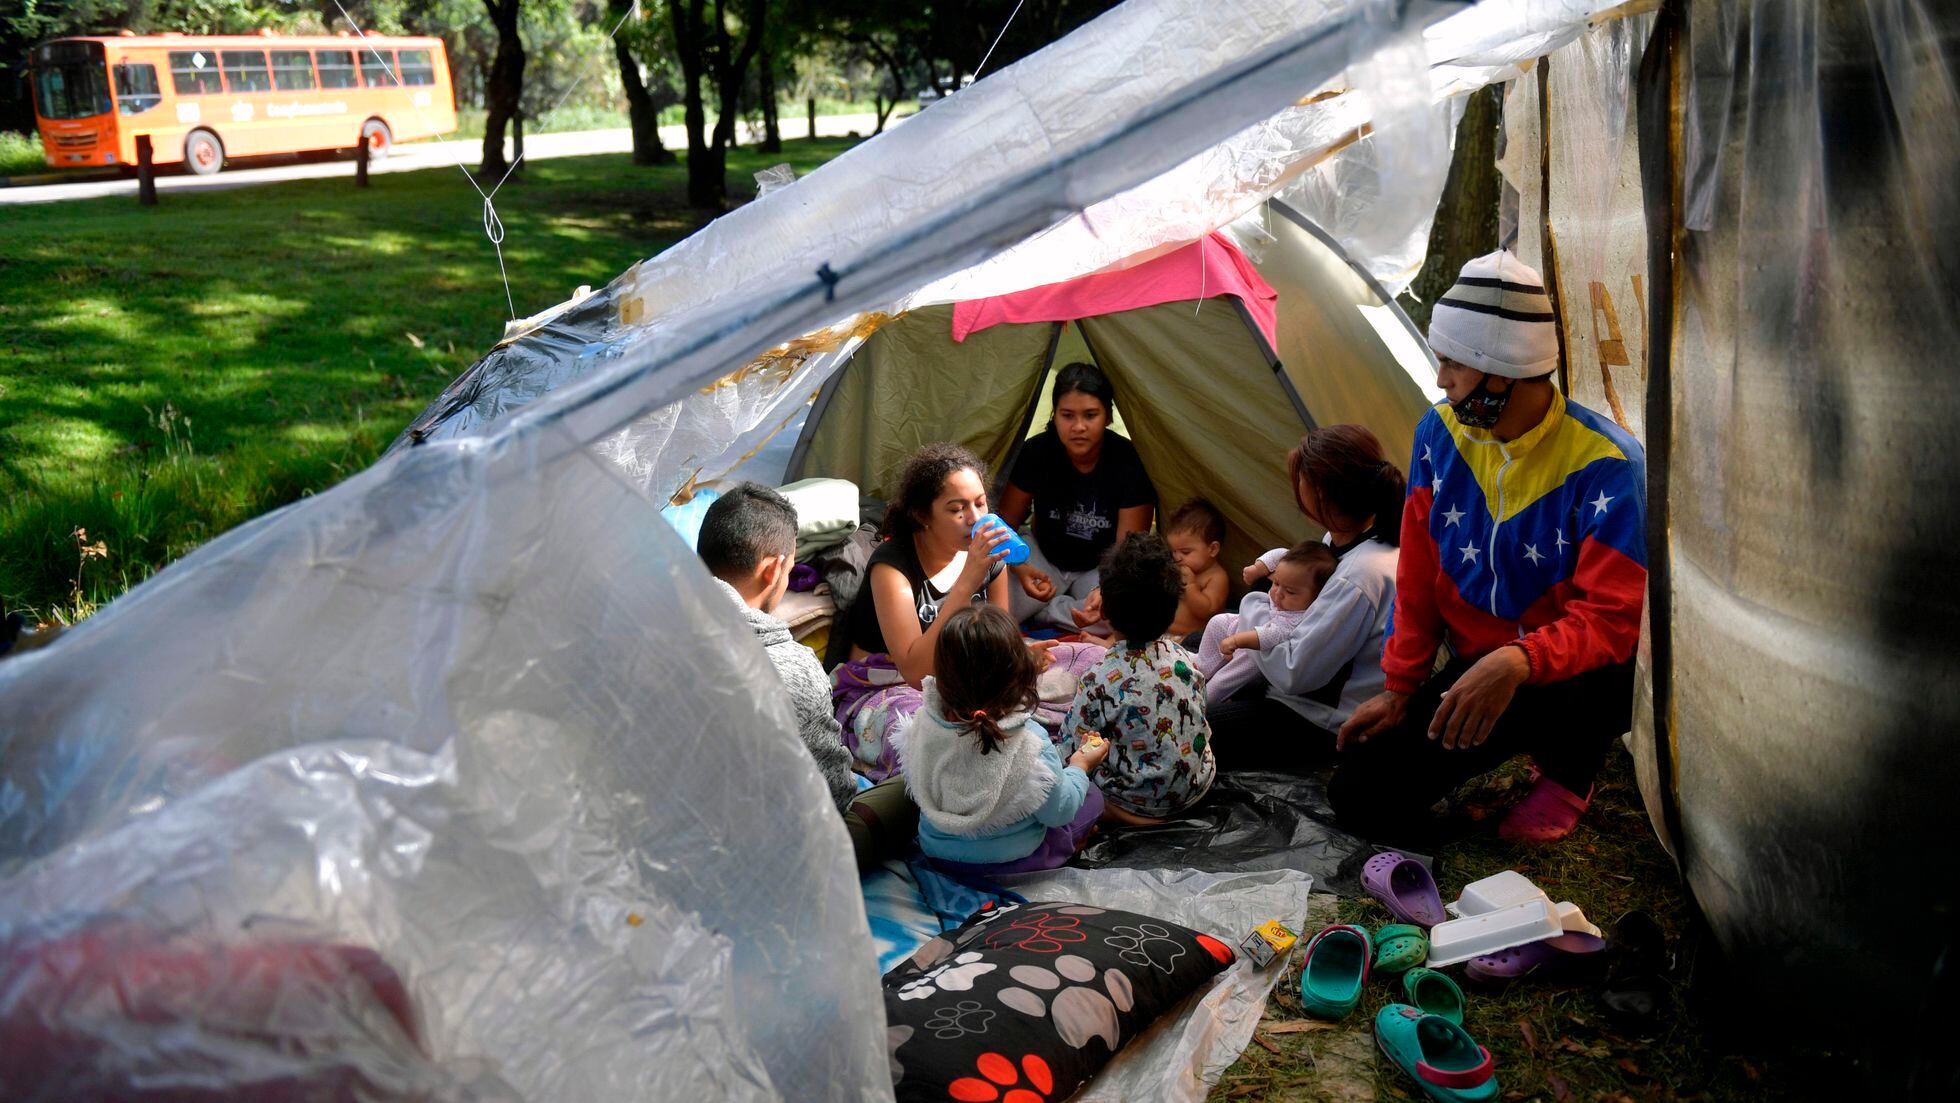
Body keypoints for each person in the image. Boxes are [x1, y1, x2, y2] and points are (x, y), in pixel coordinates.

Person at [1330, 250, 1646, 844]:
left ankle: (1569, 772)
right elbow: (1419, 570)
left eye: (1453, 363)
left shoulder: (1608, 465)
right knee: (1358, 794)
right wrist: (1401, 690)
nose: (1440, 379)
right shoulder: (1439, 432)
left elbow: (1613, 621)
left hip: (1560, 676)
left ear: (1503, 372)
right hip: (1480, 666)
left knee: (1613, 674)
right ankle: (1508, 758)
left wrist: (1519, 661)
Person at [700, 483, 919, 871]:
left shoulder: (640, 628)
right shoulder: (790, 668)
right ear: (771, 571)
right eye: (788, 569)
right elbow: (832, 796)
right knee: (914, 784)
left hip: (648, 837)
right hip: (747, 866)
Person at [1206, 424, 1405, 770]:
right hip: (1293, 686)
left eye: (1301, 483)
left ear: (1324, 495)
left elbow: (1293, 673)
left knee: (1191, 732)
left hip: (1315, 721)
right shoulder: (1345, 537)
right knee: (1206, 639)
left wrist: (1255, 604)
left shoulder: (1363, 574)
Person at [832, 443, 1021, 781]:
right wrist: (966, 582)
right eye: (957, 509)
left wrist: (1023, 662)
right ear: (923, 515)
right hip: (887, 687)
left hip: (963, 683)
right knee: (928, 742)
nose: (976, 518)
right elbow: (915, 672)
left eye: (980, 503)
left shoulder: (991, 558)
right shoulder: (894, 567)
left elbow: (1000, 646)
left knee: (1076, 672)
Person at [898, 605, 1111, 875]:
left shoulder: (923, 723)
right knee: (1090, 797)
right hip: (1014, 863)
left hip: (938, 855)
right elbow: (1060, 811)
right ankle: (1071, 845)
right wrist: (1080, 766)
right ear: (1019, 677)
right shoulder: (1030, 743)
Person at [1058, 534, 1217, 824]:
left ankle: (1126, 815)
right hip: (1196, 790)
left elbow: (1071, 751)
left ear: (1104, 611)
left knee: (1072, 778)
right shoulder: (1184, 659)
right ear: (1171, 612)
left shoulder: (1098, 678)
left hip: (1132, 803)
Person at [996, 362, 1157, 632]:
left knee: (1122, 616)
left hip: (1100, 570)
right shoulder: (1037, 452)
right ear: (1055, 415)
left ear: (1107, 417)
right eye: (1067, 415)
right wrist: (1019, 567)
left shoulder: (1129, 462)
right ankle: (1060, 609)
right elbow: (1001, 525)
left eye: (1090, 415)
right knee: (993, 611)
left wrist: (1105, 590)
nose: (1078, 426)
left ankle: (1048, 611)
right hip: (1042, 560)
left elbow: (1127, 553)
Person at [1198, 541, 1337, 704]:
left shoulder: (1297, 618)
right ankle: (1202, 667)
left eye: (1290, 592)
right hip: (1245, 623)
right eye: (1276, 583)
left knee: (1226, 679)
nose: (1278, 593)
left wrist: (1237, 640)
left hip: (1256, 650)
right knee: (1217, 622)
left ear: (1316, 598)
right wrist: (1258, 568)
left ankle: (1203, 700)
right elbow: (1281, 553)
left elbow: (1269, 635)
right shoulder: (1292, 573)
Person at [1164, 497, 1231, 639]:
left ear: (1212, 549)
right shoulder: (1178, 569)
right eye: (1174, 551)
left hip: (1190, 639)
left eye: (1185, 552)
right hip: (1162, 631)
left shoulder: (1216, 577)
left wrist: (1190, 585)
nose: (1177, 558)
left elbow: (1207, 611)